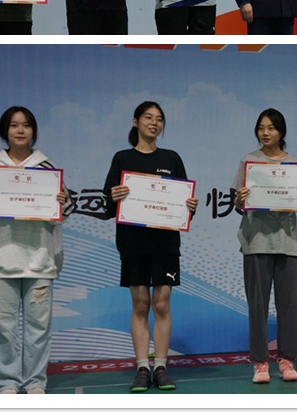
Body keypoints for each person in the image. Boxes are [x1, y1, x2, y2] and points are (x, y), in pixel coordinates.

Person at [0, 106, 72, 393]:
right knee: (4, 326)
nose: (20, 130)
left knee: (39, 327)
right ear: (5, 131)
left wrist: (61, 201)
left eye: (26, 125)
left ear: (34, 130)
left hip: (39, 259)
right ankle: (7, 382)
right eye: (14, 125)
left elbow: (64, 212)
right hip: (2, 259)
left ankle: (35, 382)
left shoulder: (46, 168)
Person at [104, 101, 198, 392]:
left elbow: (182, 203)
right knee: (141, 304)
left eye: (159, 119)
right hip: (133, 243)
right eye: (148, 117)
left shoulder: (172, 158)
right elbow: (108, 206)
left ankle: (161, 367)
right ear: (136, 122)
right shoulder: (122, 158)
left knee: (161, 304)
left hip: (165, 243)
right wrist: (114, 196)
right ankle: (142, 367)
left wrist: (189, 206)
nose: (154, 123)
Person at [231, 108, 297, 384]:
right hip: (256, 241)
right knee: (257, 306)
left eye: (271, 128)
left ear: (281, 132)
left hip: (288, 242)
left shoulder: (294, 164)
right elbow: (237, 204)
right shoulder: (248, 161)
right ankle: (260, 362)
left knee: (288, 306)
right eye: (261, 128)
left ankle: (287, 360)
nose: (265, 133)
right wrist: (240, 198)